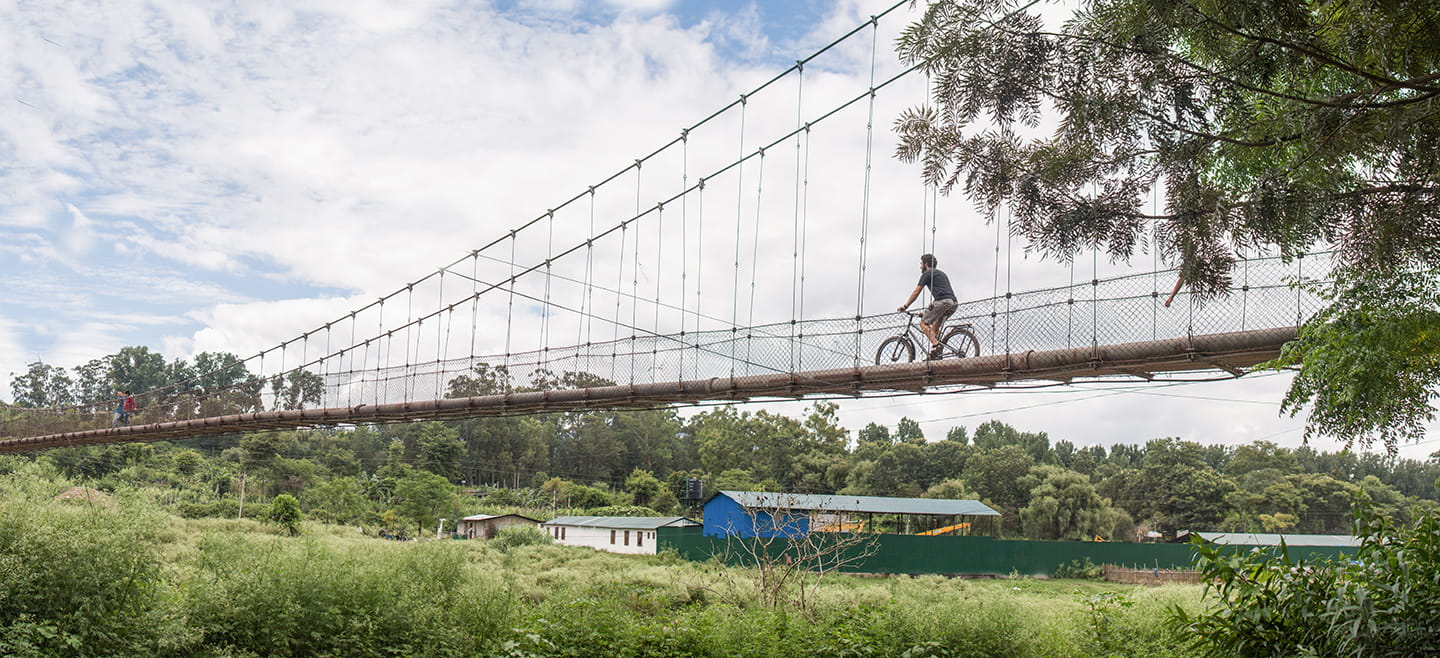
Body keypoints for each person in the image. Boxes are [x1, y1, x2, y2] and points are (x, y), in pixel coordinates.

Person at [898, 253, 958, 359]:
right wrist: (927, 311)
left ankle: (936, 344)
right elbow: (942, 293)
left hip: (943, 302)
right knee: (934, 329)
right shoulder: (941, 273)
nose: (920, 266)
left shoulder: (927, 274)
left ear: (926, 264)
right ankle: (935, 353)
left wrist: (905, 306)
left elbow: (916, 292)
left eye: (921, 263)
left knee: (923, 323)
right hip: (952, 303)